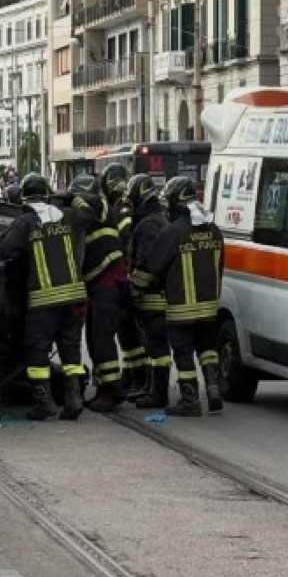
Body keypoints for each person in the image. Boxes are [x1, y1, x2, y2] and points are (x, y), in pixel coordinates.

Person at [0, 173, 89, 421]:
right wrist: (74, 198)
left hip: (44, 299)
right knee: (71, 351)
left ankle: (44, 403)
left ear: (23, 197)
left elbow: (6, 250)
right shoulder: (69, 217)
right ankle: (74, 399)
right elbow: (92, 213)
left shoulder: (25, 222)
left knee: (37, 351)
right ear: (47, 193)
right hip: (73, 295)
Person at [144, 176, 226, 417]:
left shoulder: (173, 231)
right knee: (208, 349)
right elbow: (220, 265)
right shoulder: (213, 229)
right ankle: (214, 391)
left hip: (181, 307)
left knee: (183, 352)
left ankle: (190, 400)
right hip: (209, 307)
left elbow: (155, 266)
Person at [67, 175, 145, 413]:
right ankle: (107, 385)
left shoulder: (100, 207)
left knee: (102, 338)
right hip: (105, 283)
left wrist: (72, 199)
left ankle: (111, 389)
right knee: (96, 337)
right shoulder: (88, 218)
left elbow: (90, 209)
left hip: (107, 283)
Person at [124, 173, 172, 410]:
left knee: (158, 349)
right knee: (153, 347)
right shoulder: (156, 220)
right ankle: (151, 388)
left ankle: (158, 394)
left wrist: (135, 288)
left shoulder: (149, 225)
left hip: (154, 298)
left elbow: (147, 262)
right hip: (157, 296)